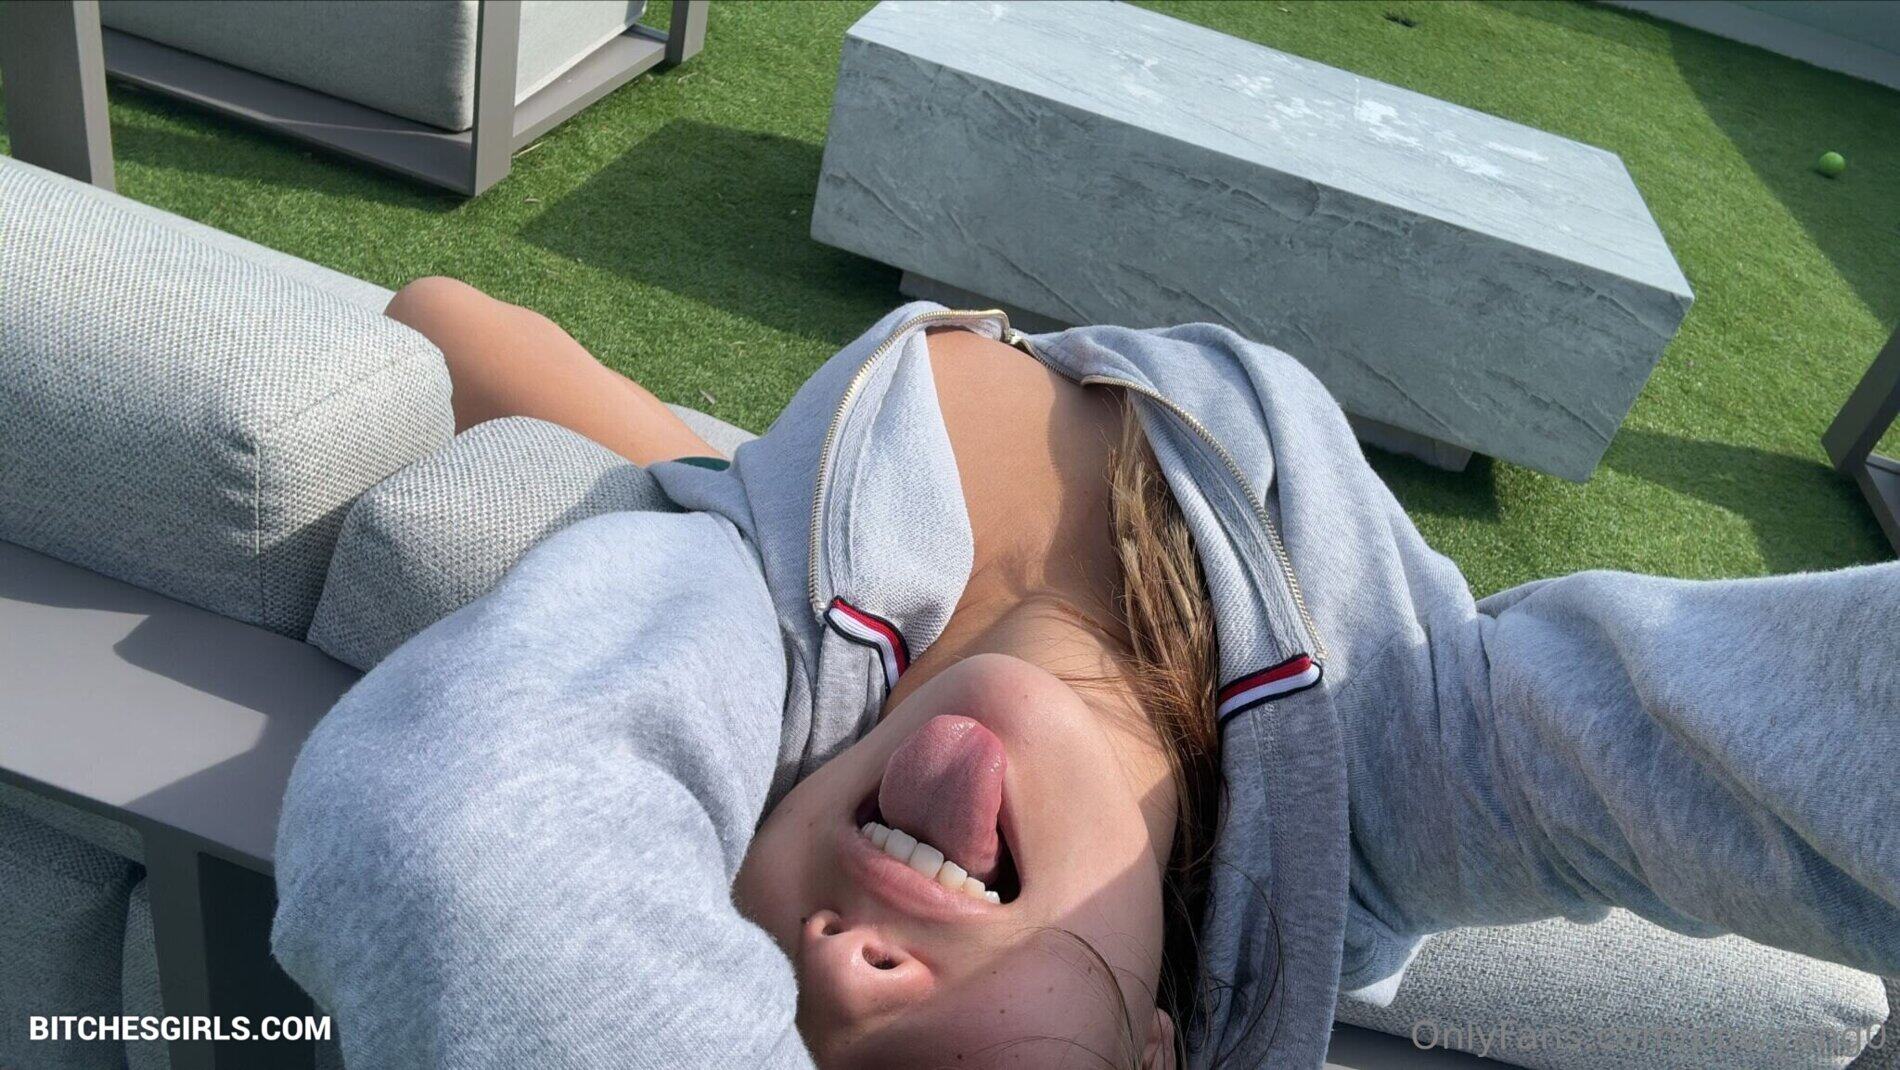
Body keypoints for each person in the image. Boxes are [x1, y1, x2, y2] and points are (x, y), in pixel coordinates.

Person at [271, 279, 1900, 1070]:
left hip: (811, 498)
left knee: (447, 321)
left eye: (748, 988)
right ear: (1153, 1054)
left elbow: (460, 839)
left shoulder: (753, 638)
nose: (842, 977)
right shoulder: (1398, 769)